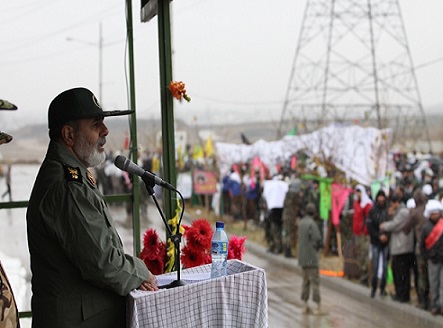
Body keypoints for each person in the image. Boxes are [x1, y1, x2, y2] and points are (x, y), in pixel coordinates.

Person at [26, 87, 158, 328]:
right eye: (96, 124)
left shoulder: (72, 174)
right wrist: (140, 272)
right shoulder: (68, 186)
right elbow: (103, 262)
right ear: (68, 135)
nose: (105, 131)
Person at [381, 195, 414, 303]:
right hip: (400, 247)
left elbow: (395, 225)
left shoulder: (403, 212)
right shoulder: (400, 212)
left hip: (403, 247)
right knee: (398, 272)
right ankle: (400, 294)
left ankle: (403, 295)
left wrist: (384, 225)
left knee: (402, 273)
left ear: (396, 203)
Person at [403, 189, 430, 310]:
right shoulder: (431, 210)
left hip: (421, 247)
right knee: (432, 276)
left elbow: (405, 228)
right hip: (435, 247)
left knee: (422, 275)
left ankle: (423, 301)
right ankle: (432, 301)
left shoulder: (416, 213)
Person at [298, 203, 323, 315]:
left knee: (305, 282)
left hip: (302, 258)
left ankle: (304, 305)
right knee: (315, 282)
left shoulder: (301, 223)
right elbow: (317, 240)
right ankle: (317, 306)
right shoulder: (312, 224)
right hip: (312, 258)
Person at [420, 199, 443, 316]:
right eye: (433, 214)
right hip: (432, 260)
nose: (435, 216)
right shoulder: (426, 228)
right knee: (434, 283)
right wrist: (426, 256)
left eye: (437, 213)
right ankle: (434, 305)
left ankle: (441, 305)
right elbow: (422, 245)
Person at [367, 189, 390, 298]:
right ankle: (374, 287)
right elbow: (370, 227)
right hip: (376, 242)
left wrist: (386, 236)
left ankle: (382, 288)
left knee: (385, 267)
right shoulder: (373, 211)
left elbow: (391, 224)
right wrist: (378, 236)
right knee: (375, 267)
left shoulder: (387, 210)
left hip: (385, 243)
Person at [352, 184, 373, 285]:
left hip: (364, 233)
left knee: (364, 254)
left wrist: (365, 230)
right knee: (359, 254)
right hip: (357, 232)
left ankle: (365, 276)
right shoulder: (356, 203)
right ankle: (361, 274)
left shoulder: (367, 204)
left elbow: (368, 219)